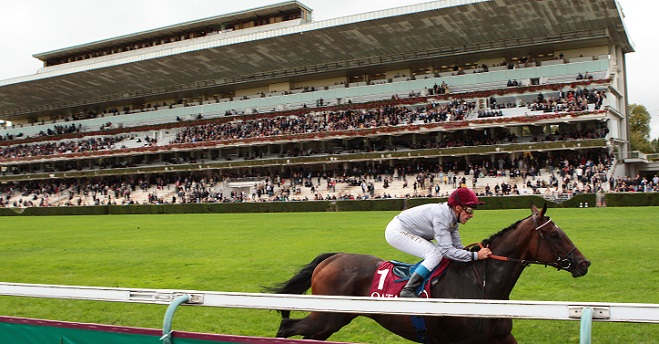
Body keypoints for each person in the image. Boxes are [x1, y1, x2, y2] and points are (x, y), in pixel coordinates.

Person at [384, 187, 492, 297]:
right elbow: (446, 250)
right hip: (397, 231)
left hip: (407, 229)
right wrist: (476, 256)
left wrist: (474, 253)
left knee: (437, 253)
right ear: (458, 207)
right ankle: (408, 290)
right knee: (435, 254)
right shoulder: (442, 216)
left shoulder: (452, 217)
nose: (472, 215)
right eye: (469, 210)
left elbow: (457, 247)